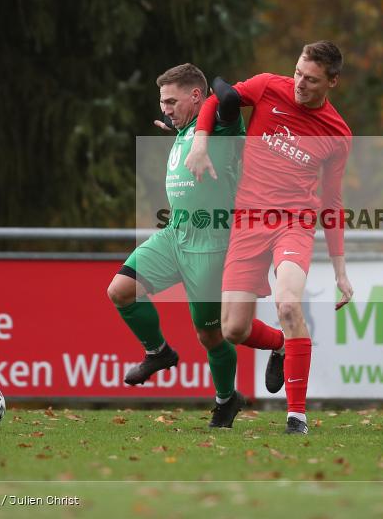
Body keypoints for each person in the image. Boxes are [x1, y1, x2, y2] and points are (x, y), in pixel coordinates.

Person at [185, 41, 354, 435]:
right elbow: (214, 100)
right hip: (247, 223)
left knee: (289, 304)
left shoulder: (337, 133)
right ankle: (280, 345)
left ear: (332, 82)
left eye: (311, 80)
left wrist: (341, 272)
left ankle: (297, 416)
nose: (299, 84)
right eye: (297, 73)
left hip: (293, 222)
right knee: (233, 330)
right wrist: (200, 143)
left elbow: (332, 201)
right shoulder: (267, 86)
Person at [106, 63, 283, 429]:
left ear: (197, 96)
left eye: (171, 101)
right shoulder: (186, 130)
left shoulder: (220, 125)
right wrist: (178, 127)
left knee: (211, 335)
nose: (165, 109)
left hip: (211, 244)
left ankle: (230, 395)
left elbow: (230, 95)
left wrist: (211, 106)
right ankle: (159, 353)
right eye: (162, 103)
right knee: (121, 290)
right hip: (174, 234)